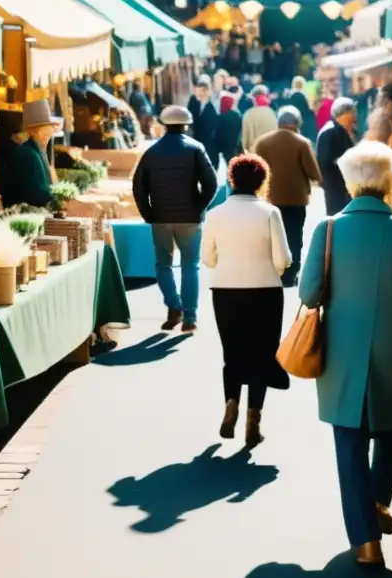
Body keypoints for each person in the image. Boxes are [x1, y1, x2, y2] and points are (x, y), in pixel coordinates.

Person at [299, 141, 392, 566]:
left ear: (347, 182)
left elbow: (309, 293)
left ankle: (366, 542)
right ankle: (379, 501)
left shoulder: (327, 230)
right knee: (391, 428)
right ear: (389, 182)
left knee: (348, 439)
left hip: (342, 350)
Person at [201, 154, 291, 447]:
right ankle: (254, 419)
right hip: (265, 290)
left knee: (233, 353)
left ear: (232, 180)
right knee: (263, 355)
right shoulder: (269, 212)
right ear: (261, 181)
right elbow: (283, 259)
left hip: (226, 290)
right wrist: (272, 269)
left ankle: (231, 404)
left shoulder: (214, 215)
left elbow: (208, 259)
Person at [133, 105, 218, 331]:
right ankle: (189, 318)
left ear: (163, 125)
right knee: (190, 265)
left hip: (160, 217)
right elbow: (211, 184)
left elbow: (138, 187)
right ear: (186, 125)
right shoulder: (195, 148)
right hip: (190, 218)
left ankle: (173, 305)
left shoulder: (151, 152)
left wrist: (148, 213)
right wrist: (200, 206)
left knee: (163, 265)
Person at [253, 106, 322, 287]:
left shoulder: (262, 142)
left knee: (270, 236)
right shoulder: (302, 143)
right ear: (296, 125)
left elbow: (253, 170)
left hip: (269, 199)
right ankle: (290, 275)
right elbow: (314, 173)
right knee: (294, 236)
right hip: (296, 199)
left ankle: (272, 272)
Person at [3, 99, 62, 209]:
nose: (47, 135)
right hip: (23, 212)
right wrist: (59, 193)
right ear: (32, 131)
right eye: (43, 130)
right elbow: (36, 194)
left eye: (48, 129)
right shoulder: (26, 153)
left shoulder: (37, 151)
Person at [316, 97, 357, 215]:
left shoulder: (345, 130)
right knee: (337, 215)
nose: (354, 115)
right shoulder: (330, 132)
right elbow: (325, 161)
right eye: (352, 112)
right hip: (335, 184)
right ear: (345, 114)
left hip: (344, 184)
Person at [188, 76, 220, 168]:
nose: (196, 93)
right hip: (196, 143)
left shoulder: (211, 108)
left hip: (208, 148)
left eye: (198, 90)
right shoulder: (194, 103)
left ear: (204, 91)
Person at [241, 85, 278, 152]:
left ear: (253, 99)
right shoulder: (273, 113)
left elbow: (245, 140)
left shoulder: (248, 114)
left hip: (254, 154)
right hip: (271, 153)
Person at [215, 93, 243, 168]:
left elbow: (218, 133)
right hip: (236, 146)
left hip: (225, 148)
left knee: (229, 166)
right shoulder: (237, 115)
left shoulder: (220, 117)